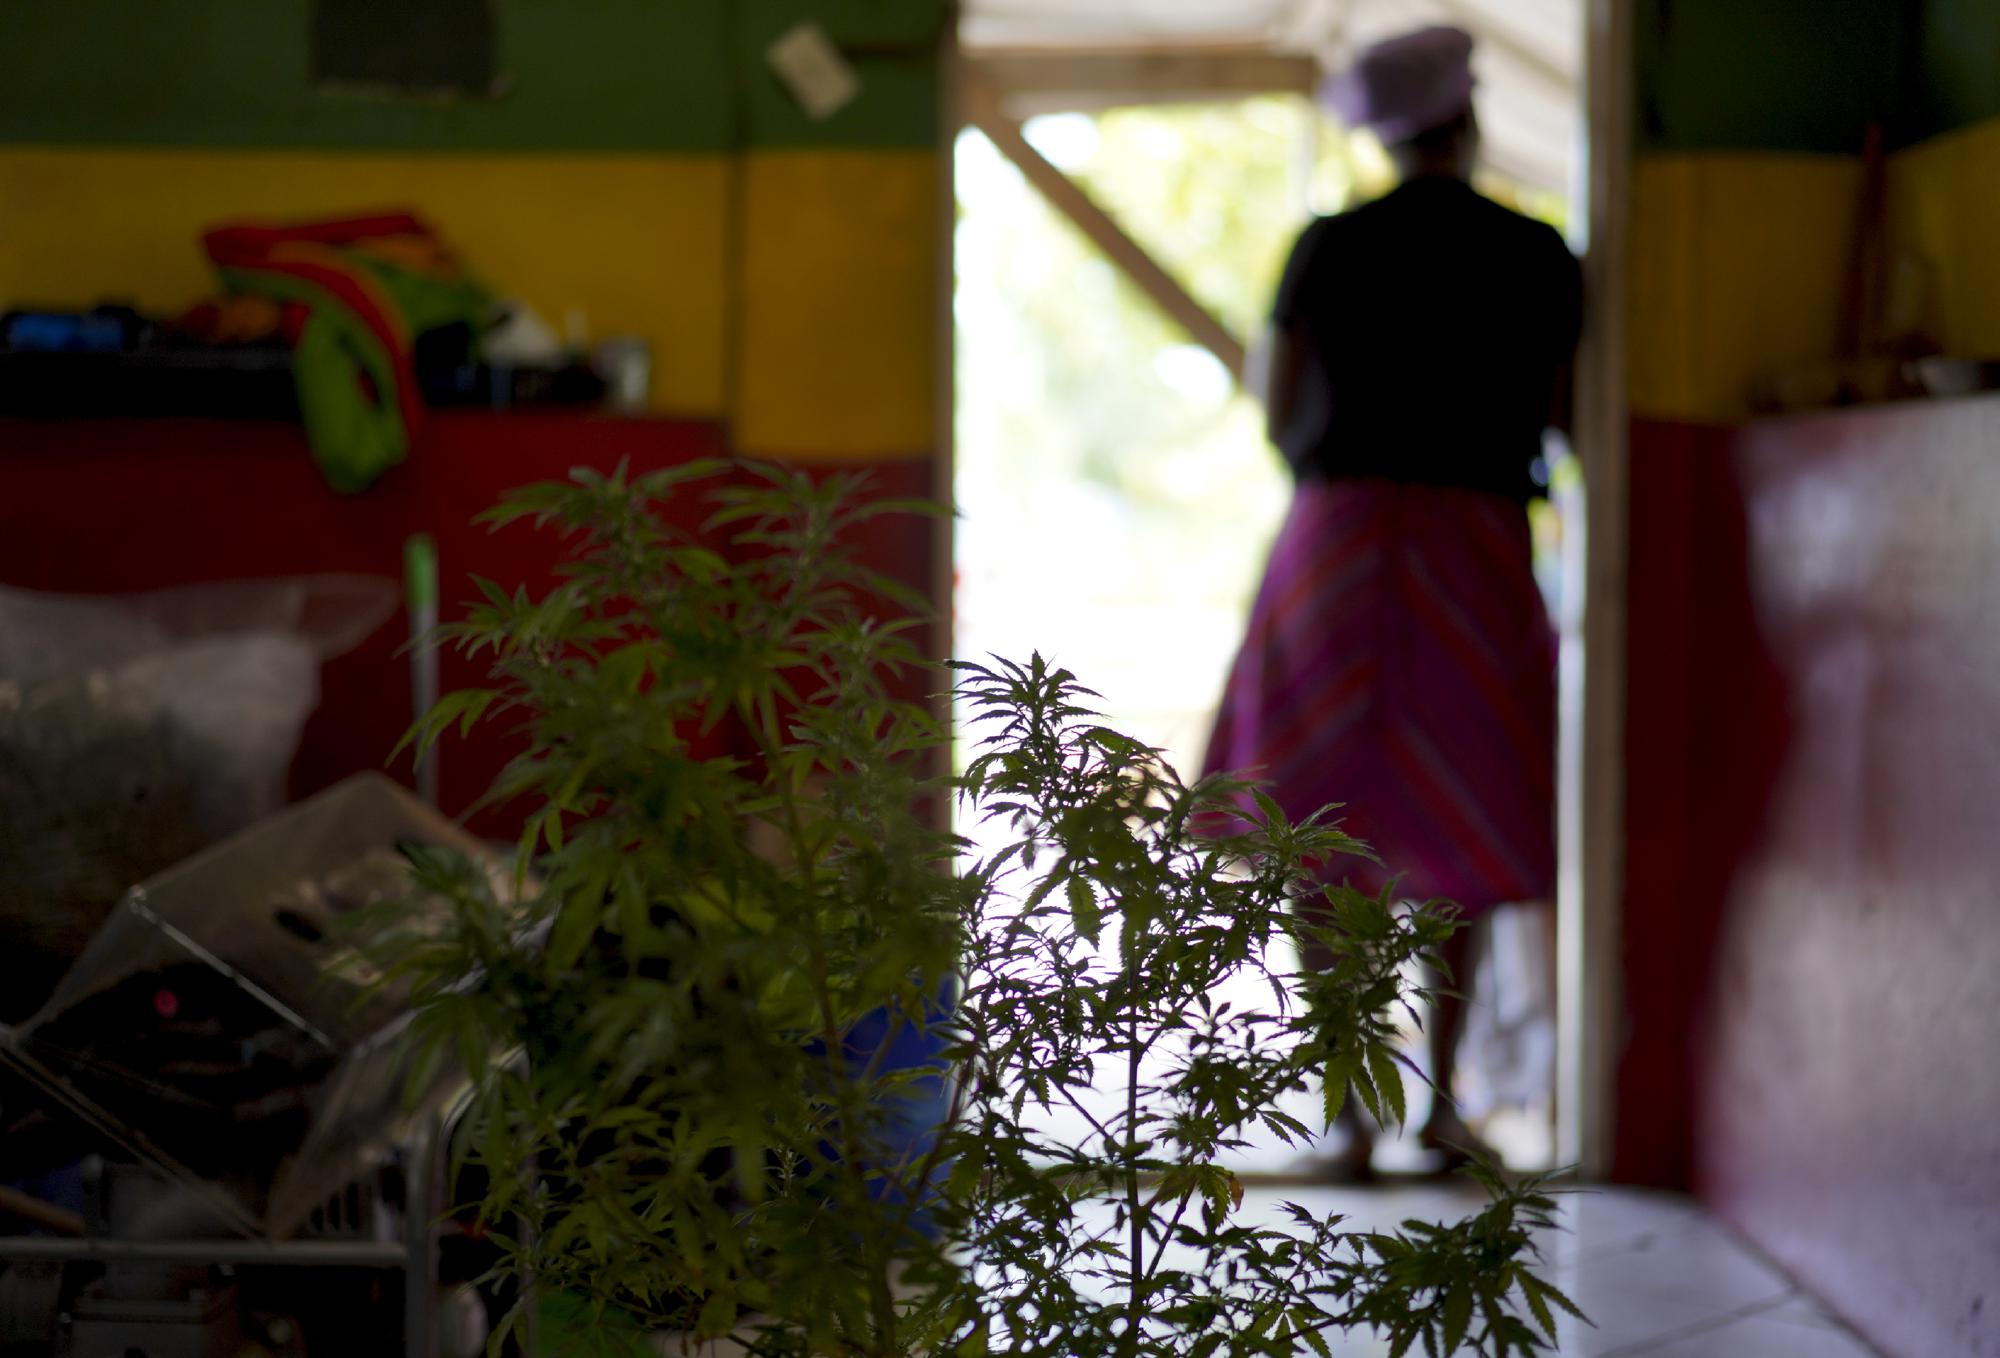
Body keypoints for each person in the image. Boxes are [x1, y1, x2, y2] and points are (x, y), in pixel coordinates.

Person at [1203, 25, 1582, 1178]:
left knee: (1314, 827)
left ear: (1381, 134)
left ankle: (1347, 1108)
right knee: (1463, 819)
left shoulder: (1327, 245)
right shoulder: (1536, 252)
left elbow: (1275, 404)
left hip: (1340, 544)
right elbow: (1566, 411)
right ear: (1466, 124)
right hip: (1474, 545)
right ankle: (1442, 1110)